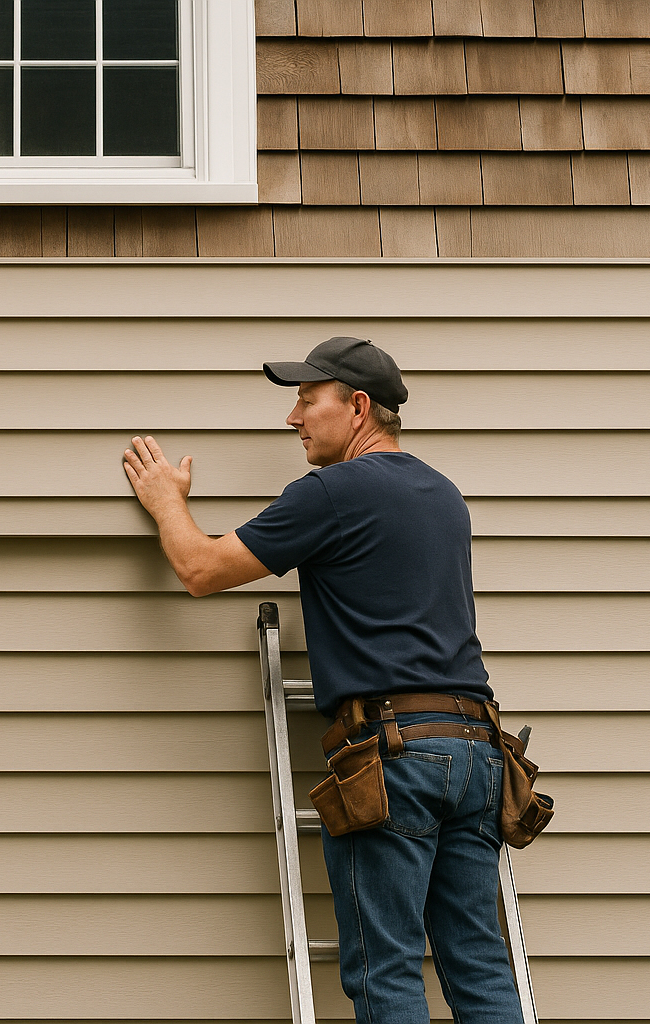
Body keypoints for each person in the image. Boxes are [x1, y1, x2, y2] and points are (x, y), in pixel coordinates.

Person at [122, 337, 522, 1023]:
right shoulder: (444, 495)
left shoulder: (335, 491)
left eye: (308, 400)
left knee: (386, 971)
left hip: (397, 757)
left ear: (358, 406)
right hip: (480, 754)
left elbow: (201, 570)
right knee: (480, 970)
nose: (293, 418)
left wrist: (166, 502)